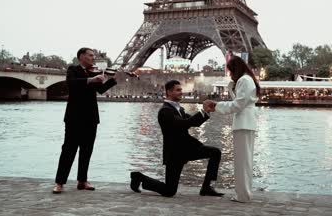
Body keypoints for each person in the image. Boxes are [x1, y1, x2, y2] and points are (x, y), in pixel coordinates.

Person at [129, 80, 224, 197]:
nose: (181, 92)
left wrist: (206, 113)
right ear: (169, 92)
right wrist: (203, 111)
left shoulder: (179, 109)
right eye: (178, 90)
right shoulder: (165, 111)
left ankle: (206, 187)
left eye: (181, 90)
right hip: (175, 153)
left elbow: (194, 123)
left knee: (215, 153)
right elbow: (185, 123)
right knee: (169, 191)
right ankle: (138, 177)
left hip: (187, 149)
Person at [53, 47, 119, 194]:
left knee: (86, 150)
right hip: (74, 118)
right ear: (81, 56)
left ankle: (82, 180)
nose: (93, 58)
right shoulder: (73, 70)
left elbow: (100, 90)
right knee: (68, 150)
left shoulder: (93, 71)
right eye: (90, 55)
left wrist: (114, 80)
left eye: (93, 56)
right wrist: (91, 79)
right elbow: (72, 83)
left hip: (91, 118)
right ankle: (59, 182)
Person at [204, 55, 260, 202]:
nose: (229, 74)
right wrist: (230, 89)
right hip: (247, 122)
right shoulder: (247, 80)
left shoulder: (243, 80)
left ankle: (243, 195)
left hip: (243, 122)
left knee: (242, 161)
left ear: (235, 69)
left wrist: (216, 106)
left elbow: (237, 105)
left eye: (230, 71)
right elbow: (240, 102)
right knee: (244, 160)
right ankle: (244, 193)